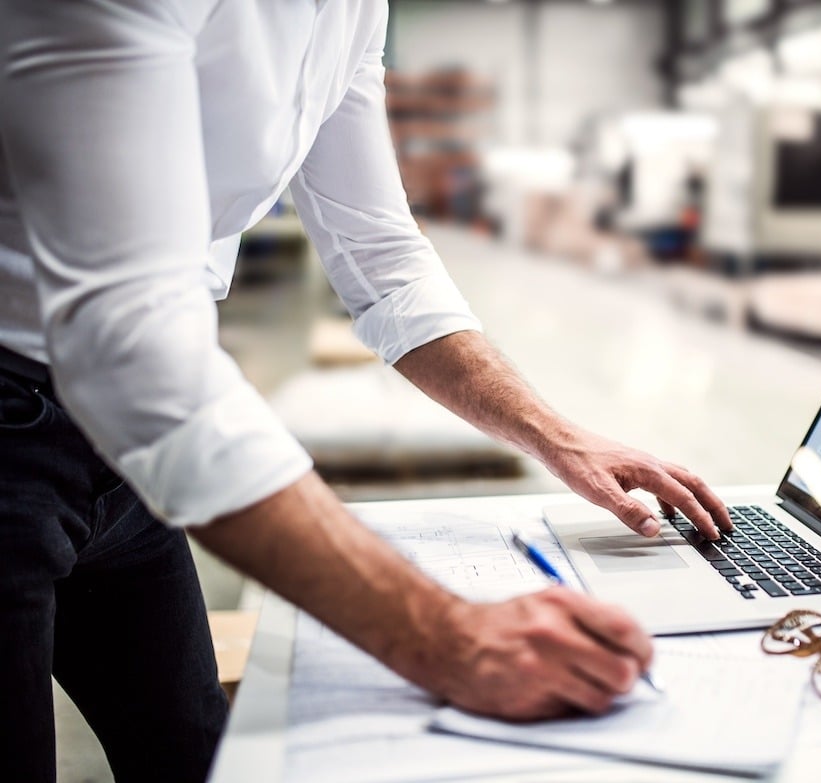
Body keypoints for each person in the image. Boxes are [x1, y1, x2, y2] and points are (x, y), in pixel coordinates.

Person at [0, 2, 732, 781]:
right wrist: (453, 639)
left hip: (123, 448)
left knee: (200, 753)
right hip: (24, 423)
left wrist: (554, 435)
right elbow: (126, 341)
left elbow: (380, 255)